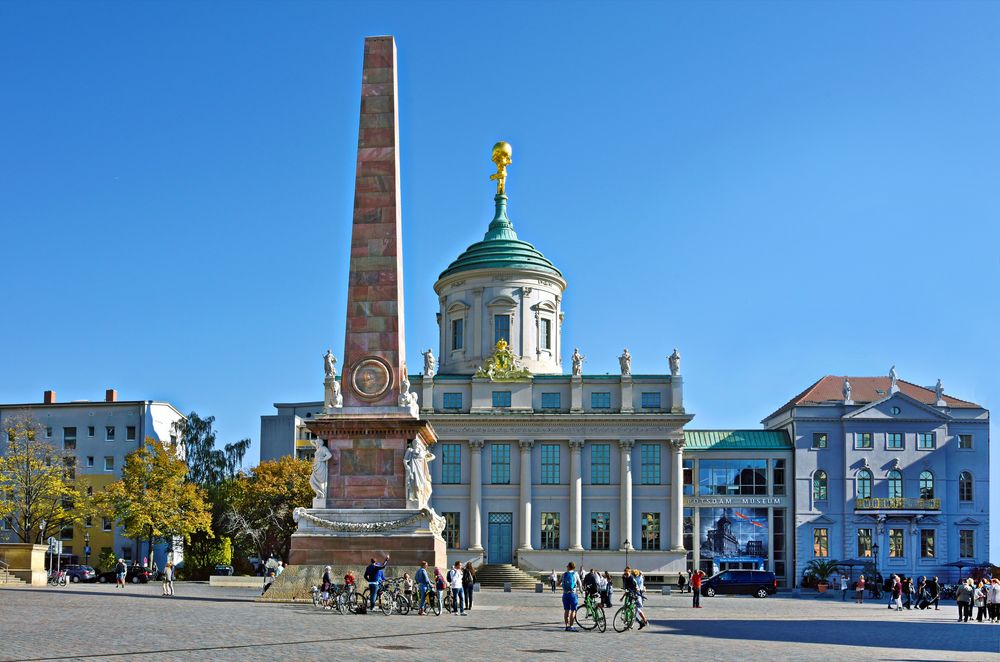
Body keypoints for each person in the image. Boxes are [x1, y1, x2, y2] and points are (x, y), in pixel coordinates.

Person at [561, 562, 579, 632]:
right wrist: (581, 591)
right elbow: (580, 583)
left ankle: (566, 626)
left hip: (565, 594)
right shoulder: (575, 574)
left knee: (566, 610)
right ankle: (571, 626)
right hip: (573, 594)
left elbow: (558, 583)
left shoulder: (564, 574)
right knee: (573, 610)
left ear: (568, 567)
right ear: (574, 567)